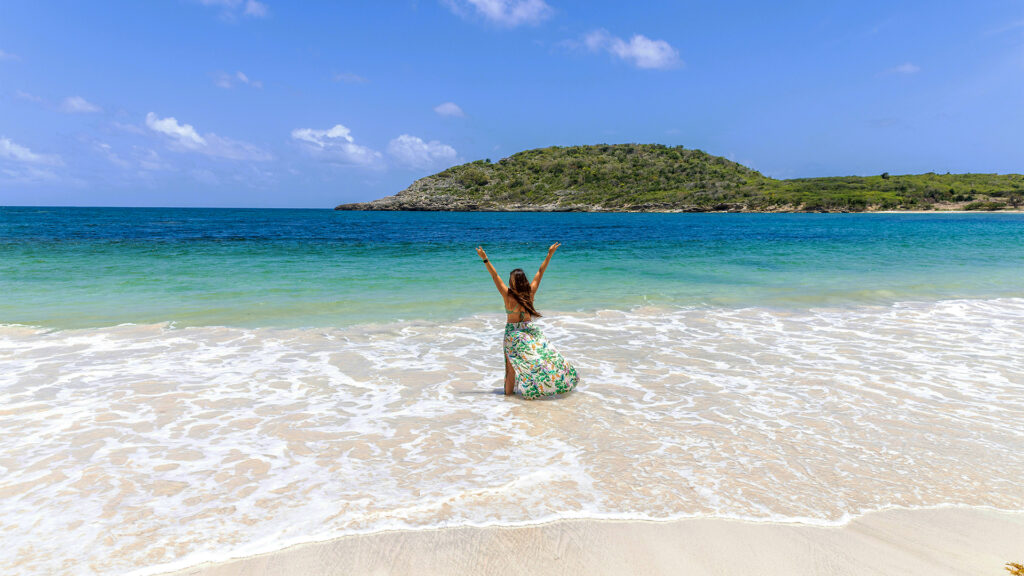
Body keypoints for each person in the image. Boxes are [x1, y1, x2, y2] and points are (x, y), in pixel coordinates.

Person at [475, 243, 579, 399]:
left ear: (513, 282)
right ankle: (551, 385)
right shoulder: (530, 293)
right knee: (546, 358)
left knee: (510, 369)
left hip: (514, 334)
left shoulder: (507, 295)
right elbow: (540, 272)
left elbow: (494, 275)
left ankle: (508, 400)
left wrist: (485, 259)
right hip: (531, 331)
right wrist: (549, 254)